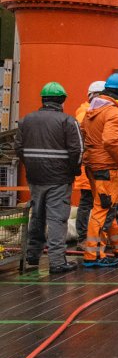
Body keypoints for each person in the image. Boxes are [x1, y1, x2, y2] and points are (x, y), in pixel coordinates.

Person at [15, 82, 83, 274]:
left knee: (37, 216)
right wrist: (73, 171)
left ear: (43, 99)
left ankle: (32, 255)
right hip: (59, 179)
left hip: (35, 177)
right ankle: (57, 261)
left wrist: (31, 164)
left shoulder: (26, 120)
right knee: (57, 218)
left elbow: (19, 148)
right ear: (62, 100)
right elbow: (77, 151)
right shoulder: (68, 121)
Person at [80, 73, 118, 267]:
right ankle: (94, 256)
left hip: (94, 165)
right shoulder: (113, 112)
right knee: (103, 210)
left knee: (109, 209)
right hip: (108, 168)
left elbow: (84, 135)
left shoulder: (92, 110)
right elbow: (111, 141)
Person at [73, 80, 104, 244]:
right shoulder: (85, 115)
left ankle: (89, 236)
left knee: (91, 203)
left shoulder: (88, 113)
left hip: (93, 166)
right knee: (87, 203)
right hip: (90, 167)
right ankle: (84, 237)